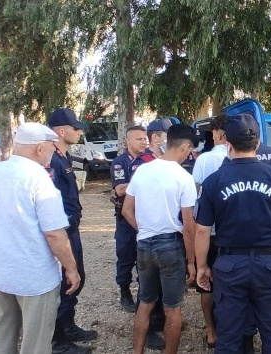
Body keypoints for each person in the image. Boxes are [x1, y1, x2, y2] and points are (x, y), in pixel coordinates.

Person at [195, 114, 271, 354]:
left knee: (230, 337)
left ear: (227, 144)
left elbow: (202, 230)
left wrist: (202, 266)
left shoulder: (214, 181)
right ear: (256, 144)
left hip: (229, 266)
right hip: (269, 265)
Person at [0, 122, 80, 354]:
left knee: (2, 338)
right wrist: (71, 268)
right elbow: (54, 233)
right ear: (40, 148)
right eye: (51, 146)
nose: (53, 151)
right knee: (36, 343)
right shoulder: (39, 179)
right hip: (33, 277)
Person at [121, 124, 198, 354]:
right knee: (172, 308)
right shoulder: (184, 178)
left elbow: (126, 210)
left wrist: (144, 228)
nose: (189, 155)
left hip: (144, 243)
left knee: (145, 303)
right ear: (184, 146)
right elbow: (188, 226)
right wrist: (192, 262)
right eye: (190, 150)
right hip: (171, 246)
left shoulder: (142, 170)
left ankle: (137, 351)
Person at [47, 108, 96, 354]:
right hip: (62, 230)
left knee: (78, 278)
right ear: (61, 131)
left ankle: (68, 326)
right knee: (66, 281)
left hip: (71, 229)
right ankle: (58, 341)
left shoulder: (64, 156)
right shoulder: (52, 161)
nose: (79, 132)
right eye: (76, 128)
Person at [191, 113, 229, 348]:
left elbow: (197, 195)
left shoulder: (205, 160)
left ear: (217, 134)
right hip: (232, 233)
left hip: (209, 230)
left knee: (206, 283)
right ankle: (233, 329)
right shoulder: (242, 155)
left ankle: (212, 331)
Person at [110, 125, 150, 312]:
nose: (144, 142)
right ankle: (125, 291)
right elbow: (119, 189)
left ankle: (145, 295)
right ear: (128, 141)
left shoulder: (150, 159)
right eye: (139, 139)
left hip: (146, 214)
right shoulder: (120, 162)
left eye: (145, 138)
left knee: (146, 258)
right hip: (126, 218)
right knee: (125, 255)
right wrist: (143, 181)